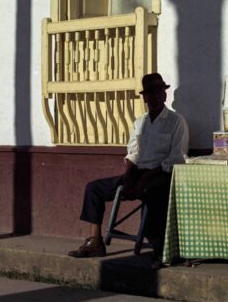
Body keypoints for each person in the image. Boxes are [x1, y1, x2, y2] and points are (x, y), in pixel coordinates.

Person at [69, 73, 189, 265]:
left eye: (159, 92)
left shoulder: (176, 121)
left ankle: (159, 248)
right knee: (94, 188)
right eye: (150, 93)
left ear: (165, 95)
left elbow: (175, 158)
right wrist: (129, 177)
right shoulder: (139, 122)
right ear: (145, 97)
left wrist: (143, 181)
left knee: (153, 191)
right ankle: (96, 241)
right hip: (138, 172)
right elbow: (133, 153)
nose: (155, 96)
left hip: (162, 173)